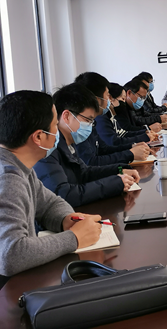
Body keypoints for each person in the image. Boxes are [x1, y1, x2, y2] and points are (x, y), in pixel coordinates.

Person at [0, 90, 102, 277]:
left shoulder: (20, 166)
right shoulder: (8, 178)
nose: (58, 131)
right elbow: (11, 255)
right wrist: (74, 237)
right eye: (55, 125)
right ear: (38, 136)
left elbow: (49, 204)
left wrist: (66, 219)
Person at [33, 83, 140, 208]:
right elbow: (64, 195)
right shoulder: (48, 149)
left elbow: (84, 173)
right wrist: (115, 183)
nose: (90, 125)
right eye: (88, 120)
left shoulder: (68, 142)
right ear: (67, 116)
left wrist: (120, 170)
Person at [74, 72, 150, 166]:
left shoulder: (92, 121)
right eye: (107, 95)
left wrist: (133, 146)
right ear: (96, 99)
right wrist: (130, 154)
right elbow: (91, 162)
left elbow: (104, 149)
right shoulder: (83, 125)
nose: (109, 99)